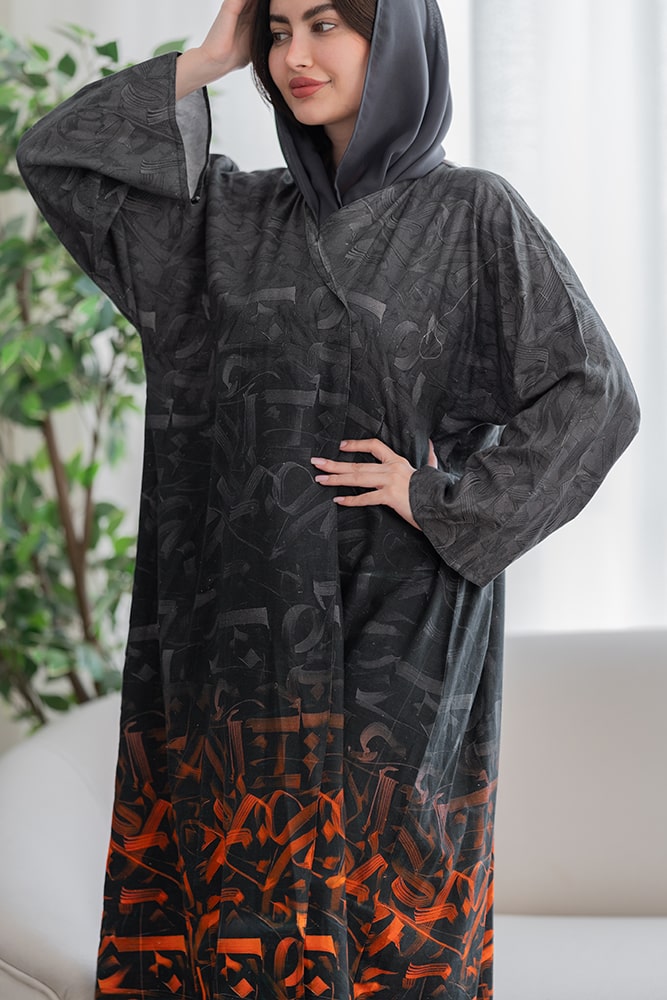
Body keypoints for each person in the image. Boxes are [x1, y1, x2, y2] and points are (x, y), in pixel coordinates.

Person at [17, 0, 640, 997]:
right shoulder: (221, 222)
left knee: (391, 920)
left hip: (397, 634)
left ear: (391, 40)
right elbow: (56, 160)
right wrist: (209, 57)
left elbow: (593, 395)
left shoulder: (473, 214)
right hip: (236, 637)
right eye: (277, 31)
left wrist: (441, 499)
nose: (294, 56)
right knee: (235, 917)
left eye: (325, 25)